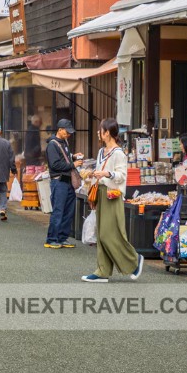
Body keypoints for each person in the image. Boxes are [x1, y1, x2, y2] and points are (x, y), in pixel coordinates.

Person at [81, 118, 144, 283]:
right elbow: (100, 170)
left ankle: (134, 260)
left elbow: (122, 176)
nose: (98, 132)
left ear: (107, 132)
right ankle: (102, 270)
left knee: (109, 234)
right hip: (101, 192)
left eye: (100, 130)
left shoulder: (119, 154)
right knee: (102, 234)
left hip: (112, 195)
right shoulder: (102, 151)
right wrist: (93, 174)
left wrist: (106, 174)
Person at [45, 119, 82, 250]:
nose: (69, 135)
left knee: (68, 211)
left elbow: (62, 159)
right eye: (67, 132)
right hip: (58, 181)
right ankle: (51, 239)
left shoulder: (64, 142)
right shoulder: (52, 144)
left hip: (67, 181)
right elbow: (55, 165)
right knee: (58, 210)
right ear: (60, 129)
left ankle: (62, 237)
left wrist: (73, 157)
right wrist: (73, 164)